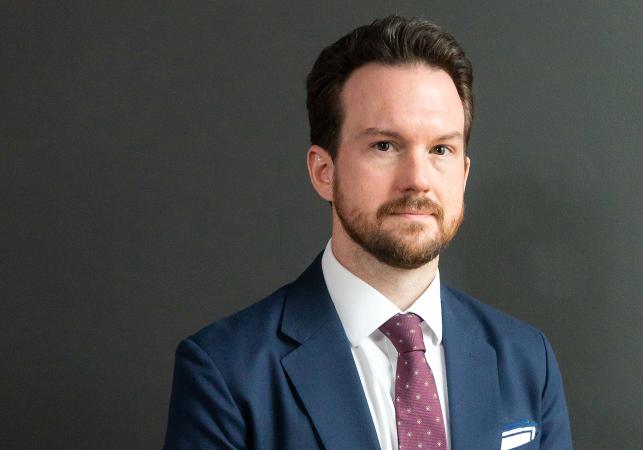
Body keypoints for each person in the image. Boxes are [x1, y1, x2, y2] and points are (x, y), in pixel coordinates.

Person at [164, 15, 572, 450]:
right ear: (324, 171)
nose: (418, 179)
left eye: (440, 150)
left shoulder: (528, 360)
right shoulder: (226, 373)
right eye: (384, 145)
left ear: (464, 174)